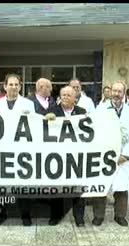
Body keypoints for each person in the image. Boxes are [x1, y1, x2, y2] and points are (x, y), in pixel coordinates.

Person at [0, 74, 35, 225]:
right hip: (1, 149)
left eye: (16, 85)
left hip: (21, 150)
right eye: (11, 84)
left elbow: (34, 127)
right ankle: (1, 213)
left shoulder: (28, 104)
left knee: (23, 184)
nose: (14, 87)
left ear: (20, 87)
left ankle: (25, 215)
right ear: (5, 86)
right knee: (1, 184)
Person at [93, 81, 129, 227]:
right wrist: (107, 154)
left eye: (120, 91)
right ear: (110, 92)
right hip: (105, 155)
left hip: (124, 156)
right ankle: (98, 216)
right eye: (115, 91)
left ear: (124, 93)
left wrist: (125, 155)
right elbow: (97, 134)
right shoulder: (101, 110)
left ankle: (120, 216)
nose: (117, 94)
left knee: (122, 186)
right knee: (102, 185)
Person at [46, 86, 87, 227]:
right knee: (57, 188)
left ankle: (79, 217)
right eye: (63, 94)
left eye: (68, 95)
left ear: (75, 98)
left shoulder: (82, 112)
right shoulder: (51, 111)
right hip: (57, 155)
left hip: (76, 156)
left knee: (77, 188)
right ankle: (55, 216)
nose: (65, 97)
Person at [23, 78, 57, 226]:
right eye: (49, 87)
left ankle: (54, 215)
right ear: (41, 87)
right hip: (31, 148)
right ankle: (26, 215)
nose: (51, 90)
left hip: (50, 148)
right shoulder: (27, 102)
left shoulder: (53, 103)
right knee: (28, 182)